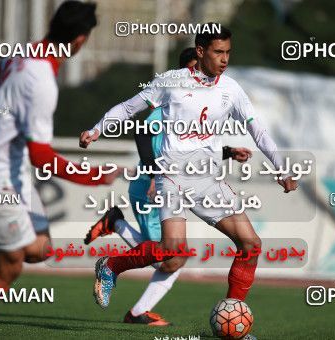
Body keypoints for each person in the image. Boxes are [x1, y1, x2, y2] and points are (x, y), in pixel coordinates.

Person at [79, 23, 297, 339]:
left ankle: (233, 319)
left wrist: (282, 168)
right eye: (218, 52)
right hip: (172, 177)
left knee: (250, 244)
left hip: (208, 180)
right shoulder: (171, 82)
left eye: (228, 52)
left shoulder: (231, 89)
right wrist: (97, 129)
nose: (224, 59)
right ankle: (111, 266)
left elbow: (258, 130)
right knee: (172, 250)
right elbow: (130, 108)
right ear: (200, 51)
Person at [0, 2, 117, 339]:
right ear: (80, 41)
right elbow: (41, 156)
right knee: (9, 265)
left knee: (37, 249)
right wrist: (94, 176)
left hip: (7, 172)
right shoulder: (41, 80)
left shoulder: (28, 54)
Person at [83, 47, 254, 326]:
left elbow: (191, 145)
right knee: (169, 257)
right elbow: (142, 131)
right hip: (153, 186)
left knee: (174, 255)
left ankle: (136, 308)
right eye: (193, 70)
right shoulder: (166, 104)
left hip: (173, 182)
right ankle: (116, 234)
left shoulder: (199, 104)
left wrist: (228, 151)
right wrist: (152, 174)